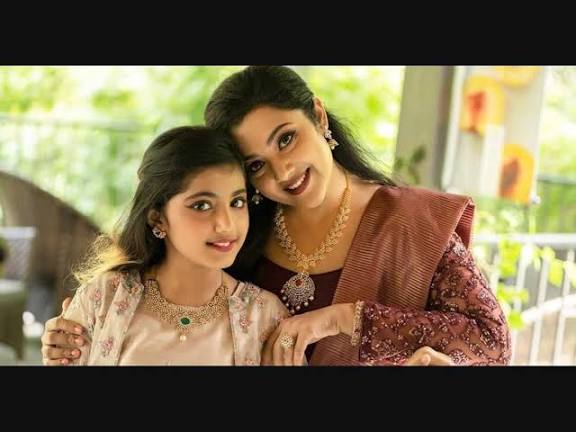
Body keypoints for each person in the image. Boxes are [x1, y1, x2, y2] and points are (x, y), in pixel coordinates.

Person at [43, 66, 511, 366]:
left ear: (319, 117)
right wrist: (80, 334)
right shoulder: (242, 230)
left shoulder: (412, 223)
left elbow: (491, 342)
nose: (283, 172)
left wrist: (341, 319)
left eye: (286, 139)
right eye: (256, 165)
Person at [42, 125, 290, 365]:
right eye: (202, 205)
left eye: (237, 202)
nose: (226, 224)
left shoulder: (265, 317)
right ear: (158, 218)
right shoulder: (104, 297)